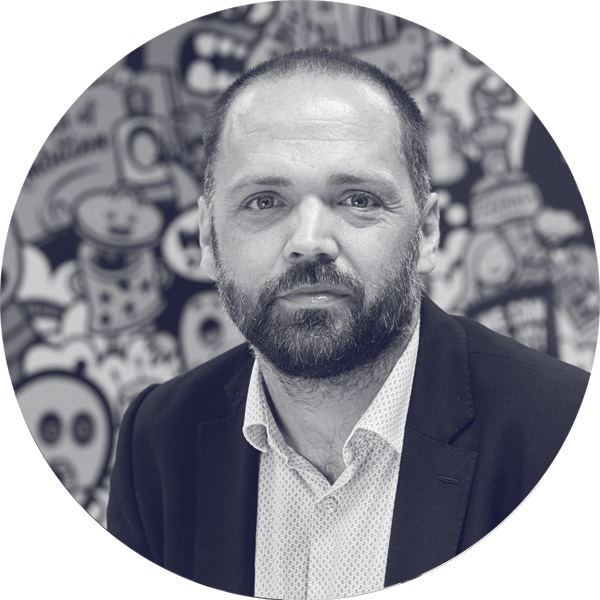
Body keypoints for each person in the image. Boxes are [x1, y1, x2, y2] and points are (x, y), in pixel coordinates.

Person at [107, 48, 589, 599]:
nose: (310, 241)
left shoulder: (567, 434)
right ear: (207, 238)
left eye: (358, 199)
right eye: (264, 202)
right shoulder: (157, 441)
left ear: (427, 233)